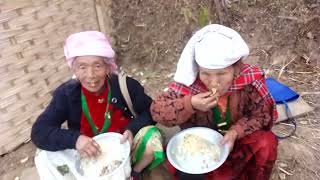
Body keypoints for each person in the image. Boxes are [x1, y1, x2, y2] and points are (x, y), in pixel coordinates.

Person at [150, 24, 278, 180]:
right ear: (198, 70)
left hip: (237, 142)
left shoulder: (248, 81)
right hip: (202, 151)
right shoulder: (189, 84)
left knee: (267, 142)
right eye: (206, 74)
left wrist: (235, 132)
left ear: (235, 70)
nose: (213, 83)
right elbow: (157, 111)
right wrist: (190, 104)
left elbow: (262, 114)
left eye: (222, 74)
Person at [31, 31, 164, 179]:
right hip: (87, 156)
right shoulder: (66, 94)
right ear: (74, 69)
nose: (91, 75)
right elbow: (39, 131)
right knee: (43, 155)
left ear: (108, 67)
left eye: (97, 66)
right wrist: (76, 139)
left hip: (124, 150)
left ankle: (135, 173)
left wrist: (131, 129)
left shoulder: (125, 86)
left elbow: (152, 111)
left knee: (152, 136)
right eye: (82, 67)